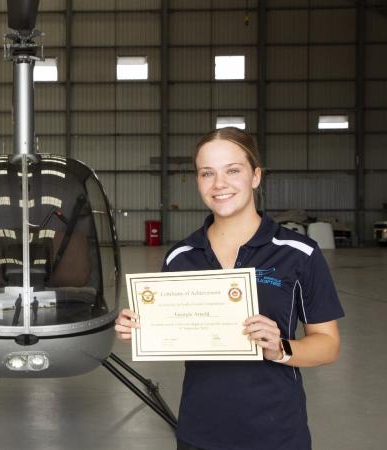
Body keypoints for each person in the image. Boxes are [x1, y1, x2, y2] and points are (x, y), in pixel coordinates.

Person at [115, 127, 344, 450]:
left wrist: (281, 348)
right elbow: (178, 332)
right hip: (199, 433)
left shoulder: (298, 252)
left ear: (255, 176)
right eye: (207, 173)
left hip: (276, 435)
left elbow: (328, 345)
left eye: (232, 170)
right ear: (198, 181)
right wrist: (141, 328)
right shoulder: (182, 257)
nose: (219, 184)